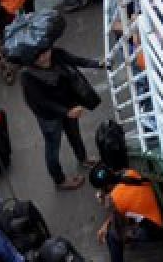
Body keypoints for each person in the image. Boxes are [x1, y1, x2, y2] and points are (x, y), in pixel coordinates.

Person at [21, 45, 102, 191]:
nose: (44, 57)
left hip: (69, 105)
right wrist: (65, 112)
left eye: (46, 51)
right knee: (52, 147)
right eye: (38, 56)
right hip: (49, 116)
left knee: (75, 134)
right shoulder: (27, 75)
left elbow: (75, 60)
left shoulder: (57, 53)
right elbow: (39, 102)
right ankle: (60, 180)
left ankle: (83, 158)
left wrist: (97, 64)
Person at [92, 166, 163, 261]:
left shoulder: (114, 199)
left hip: (158, 230)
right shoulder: (130, 173)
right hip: (160, 212)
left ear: (106, 186)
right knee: (124, 217)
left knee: (111, 236)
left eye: (101, 189)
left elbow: (118, 228)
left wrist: (104, 202)